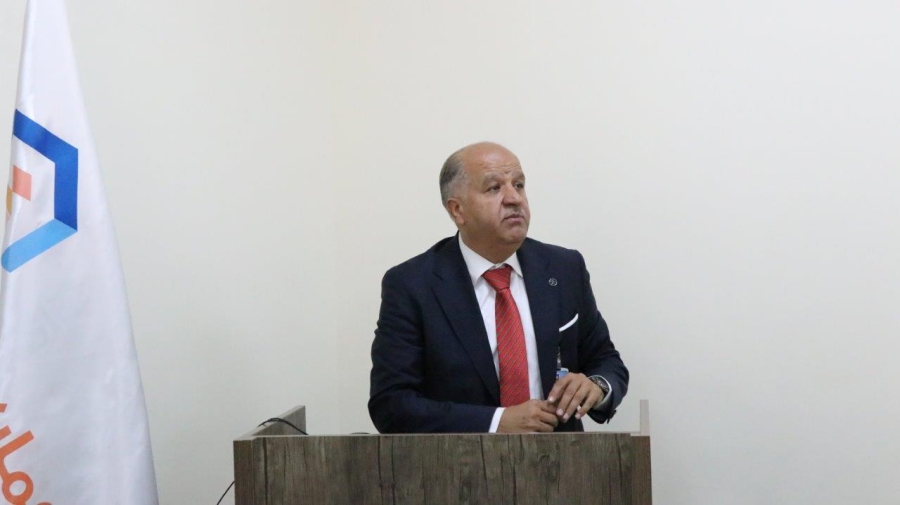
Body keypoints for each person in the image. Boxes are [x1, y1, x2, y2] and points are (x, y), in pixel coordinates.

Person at [369, 142, 628, 433]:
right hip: (460, 459)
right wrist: (496, 422)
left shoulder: (564, 268)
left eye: (519, 185)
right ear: (457, 210)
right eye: (494, 188)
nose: (514, 198)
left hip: (561, 457)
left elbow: (606, 360)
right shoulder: (412, 285)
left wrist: (597, 386)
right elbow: (391, 404)